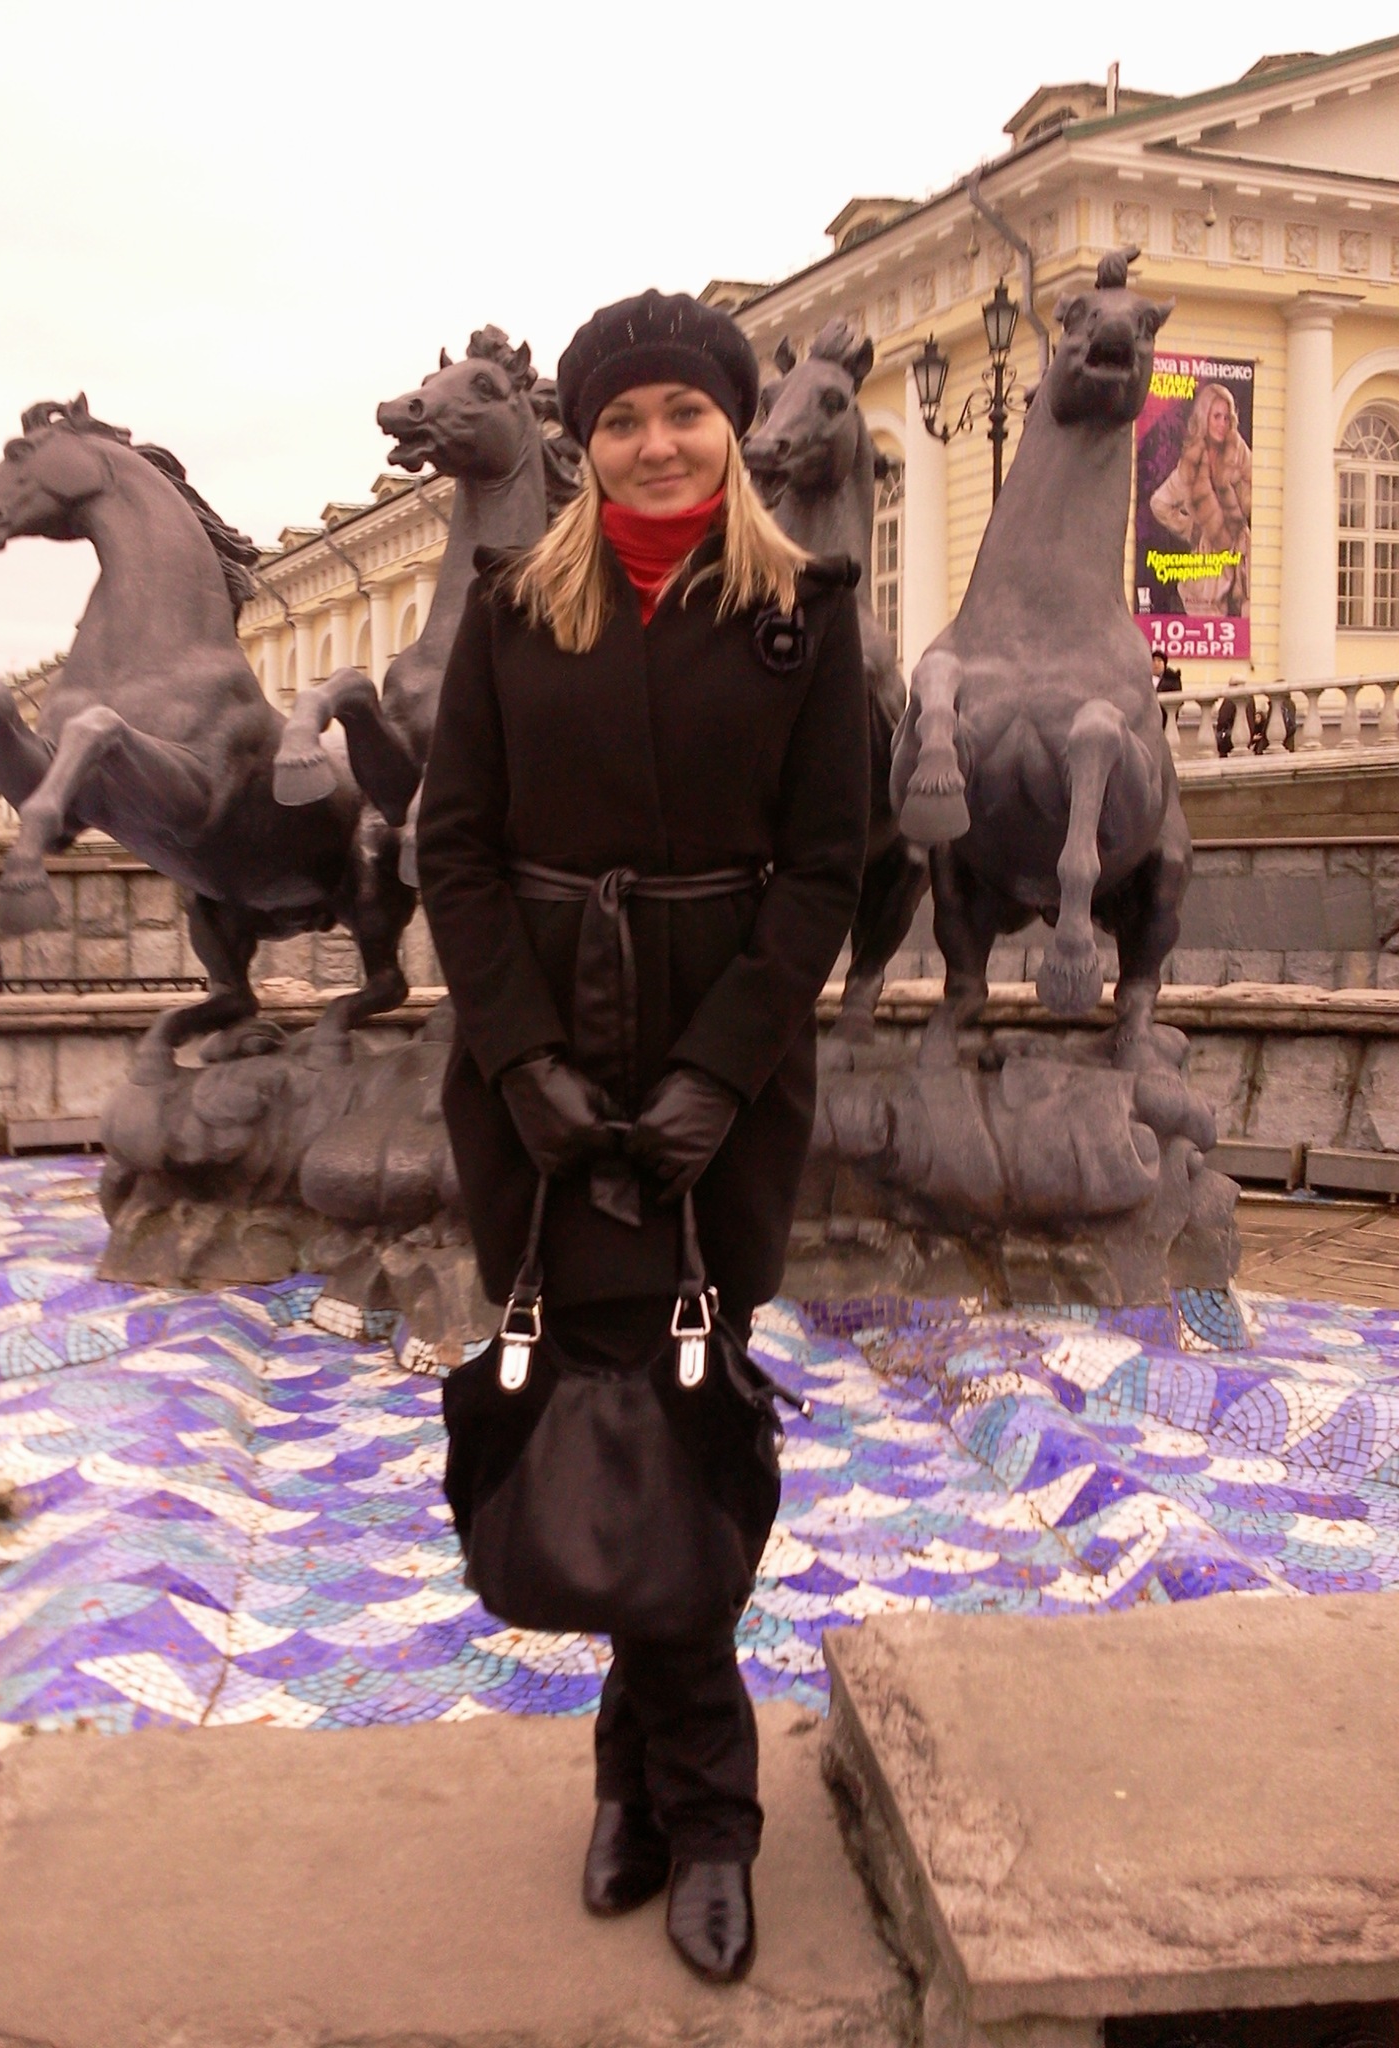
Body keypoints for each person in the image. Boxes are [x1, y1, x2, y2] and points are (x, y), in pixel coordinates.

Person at [417, 290, 869, 1984]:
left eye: (684, 411)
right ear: (584, 441)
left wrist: (721, 1075)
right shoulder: (512, 610)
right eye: (621, 418)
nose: (654, 442)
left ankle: (652, 1788)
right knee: (597, 1396)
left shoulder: (804, 615)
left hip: (719, 1072)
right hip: (540, 1059)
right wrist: (521, 1060)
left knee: (678, 1404)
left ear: (729, 428)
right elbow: (453, 852)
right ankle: (705, 1809)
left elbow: (825, 867)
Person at [1148, 380, 1252, 618]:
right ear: (1204, 417)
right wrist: (1190, 528)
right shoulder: (1189, 466)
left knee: (1249, 622)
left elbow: (1258, 486)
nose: (1222, 424)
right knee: (1209, 622)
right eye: (1216, 416)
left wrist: (1239, 497)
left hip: (1243, 556)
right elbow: (1159, 504)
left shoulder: (1238, 451)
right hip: (1208, 564)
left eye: (1226, 418)